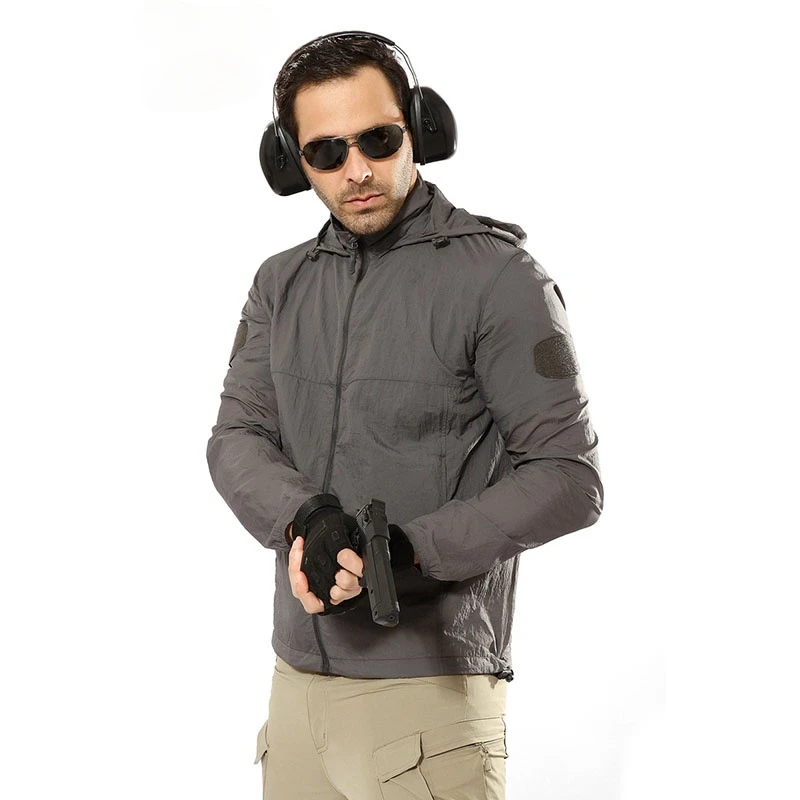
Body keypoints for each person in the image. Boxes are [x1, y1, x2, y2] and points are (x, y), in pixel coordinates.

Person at [206, 30, 603, 800]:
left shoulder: (503, 280)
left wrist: (405, 550)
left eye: (378, 140)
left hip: (428, 700)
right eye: (326, 152)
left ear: (420, 128)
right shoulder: (278, 285)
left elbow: (569, 477)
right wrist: (306, 518)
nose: (356, 170)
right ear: (291, 162)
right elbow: (235, 437)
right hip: (295, 692)